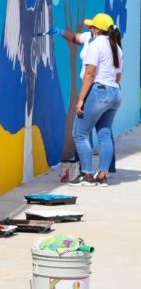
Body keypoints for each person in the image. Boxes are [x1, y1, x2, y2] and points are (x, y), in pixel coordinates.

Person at [48, 13, 123, 187]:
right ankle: (102, 176)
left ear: (97, 29)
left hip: (99, 92)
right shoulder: (115, 46)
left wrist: (81, 99)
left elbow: (89, 74)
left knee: (79, 133)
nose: (90, 29)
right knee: (104, 134)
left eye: (92, 27)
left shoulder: (96, 44)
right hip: (114, 93)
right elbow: (118, 75)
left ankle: (87, 175)